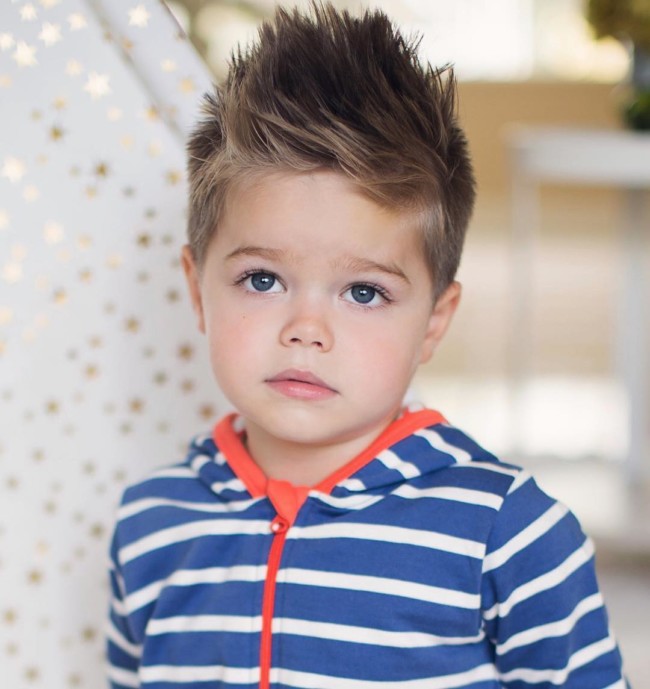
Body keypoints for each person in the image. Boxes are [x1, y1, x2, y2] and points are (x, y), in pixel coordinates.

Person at [106, 3, 628, 688]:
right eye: (262, 279)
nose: (306, 328)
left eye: (363, 292)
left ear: (435, 321)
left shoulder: (507, 532)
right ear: (199, 290)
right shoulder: (152, 526)